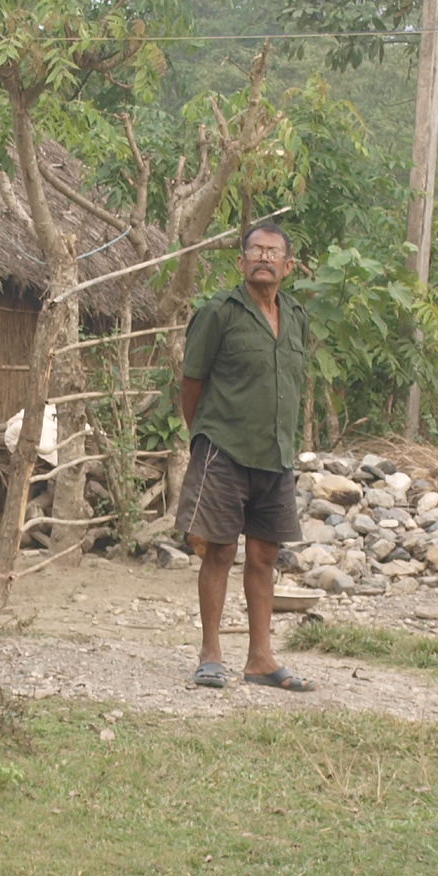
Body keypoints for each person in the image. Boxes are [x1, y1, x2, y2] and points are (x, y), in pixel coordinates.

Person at [175, 221, 313, 692]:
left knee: (264, 555)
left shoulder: (295, 316)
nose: (264, 258)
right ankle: (211, 655)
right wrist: (203, 437)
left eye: (273, 252)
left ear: (288, 266)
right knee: (218, 550)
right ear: (241, 262)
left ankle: (260, 659)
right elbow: (192, 382)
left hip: (275, 453)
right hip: (224, 448)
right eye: (255, 250)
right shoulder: (219, 313)